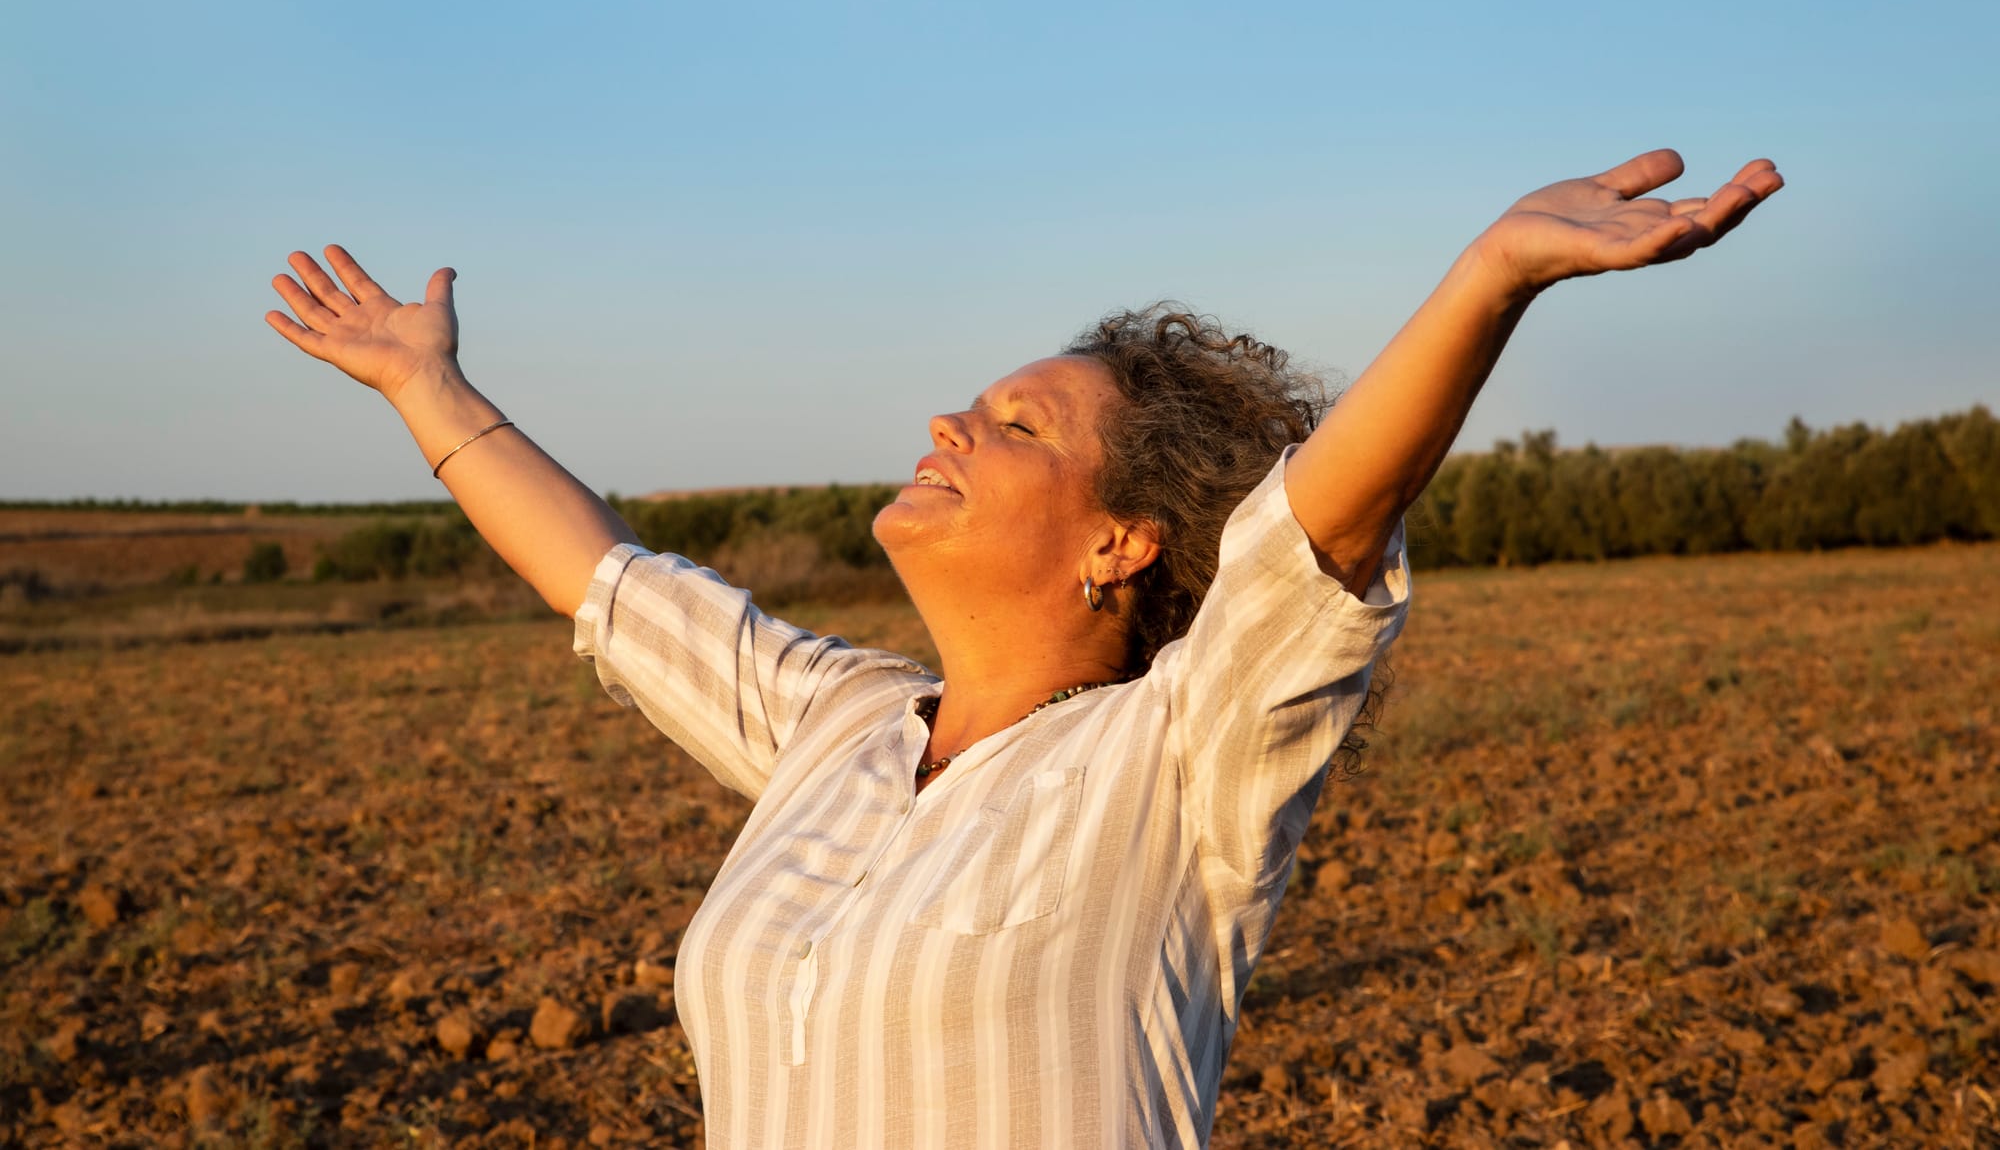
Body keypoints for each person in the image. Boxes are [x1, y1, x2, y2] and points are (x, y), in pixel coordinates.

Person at [266, 149, 1781, 1148]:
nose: (949, 423)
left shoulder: (1183, 761)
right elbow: (608, 580)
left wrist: (1489, 278)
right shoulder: (836, 724)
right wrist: (424, 388)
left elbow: (1311, 534)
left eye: (1016, 427)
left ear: (1122, 542)